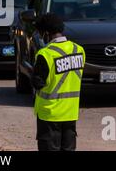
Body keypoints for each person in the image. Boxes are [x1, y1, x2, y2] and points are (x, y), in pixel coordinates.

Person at [31, 13, 86, 151]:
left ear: (46, 33)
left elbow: (38, 83)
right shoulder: (79, 50)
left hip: (50, 115)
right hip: (70, 113)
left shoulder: (46, 54)